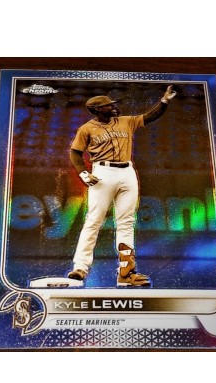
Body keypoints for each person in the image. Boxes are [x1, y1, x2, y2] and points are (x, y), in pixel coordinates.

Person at [67, 85, 177, 287]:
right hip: (102, 172)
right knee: (94, 220)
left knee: (126, 222)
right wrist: (83, 172)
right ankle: (80, 267)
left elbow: (150, 116)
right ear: (97, 110)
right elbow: (75, 152)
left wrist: (164, 101)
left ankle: (126, 272)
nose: (114, 107)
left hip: (127, 171)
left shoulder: (126, 121)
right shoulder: (86, 128)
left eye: (113, 104)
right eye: (109, 106)